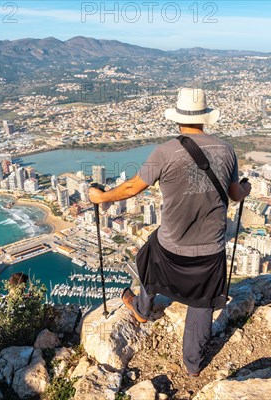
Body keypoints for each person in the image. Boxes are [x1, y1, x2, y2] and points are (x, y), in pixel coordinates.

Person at [88, 88, 251, 377]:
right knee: (202, 305)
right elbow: (236, 194)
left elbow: (130, 188)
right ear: (205, 119)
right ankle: (192, 366)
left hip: (171, 248)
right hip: (211, 251)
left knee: (147, 255)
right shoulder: (227, 150)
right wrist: (246, 188)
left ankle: (141, 308)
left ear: (177, 119)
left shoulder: (165, 151)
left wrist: (99, 198)